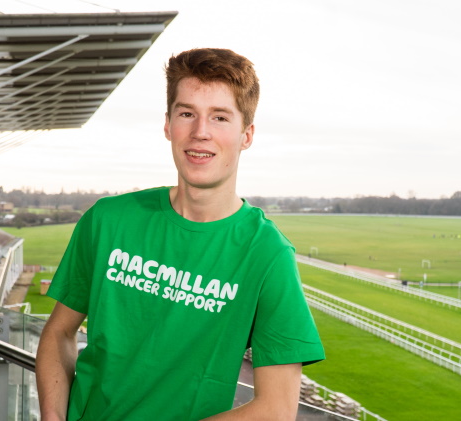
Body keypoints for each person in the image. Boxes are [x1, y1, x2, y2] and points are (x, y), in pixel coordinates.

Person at [36, 48, 324, 421]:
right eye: (187, 113)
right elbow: (59, 335)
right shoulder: (107, 220)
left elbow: (276, 409)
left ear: (246, 135)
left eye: (220, 117)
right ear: (168, 125)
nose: (200, 132)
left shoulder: (267, 253)